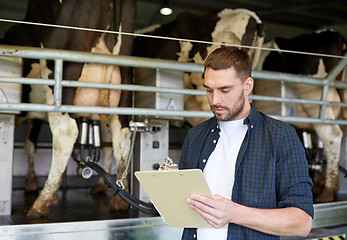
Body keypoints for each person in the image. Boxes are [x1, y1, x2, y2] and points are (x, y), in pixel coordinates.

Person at [179, 46, 314, 240]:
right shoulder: (196, 135)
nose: (215, 100)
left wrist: (234, 214)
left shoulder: (281, 136)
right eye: (209, 90)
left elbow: (302, 222)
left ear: (247, 86)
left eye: (225, 90)